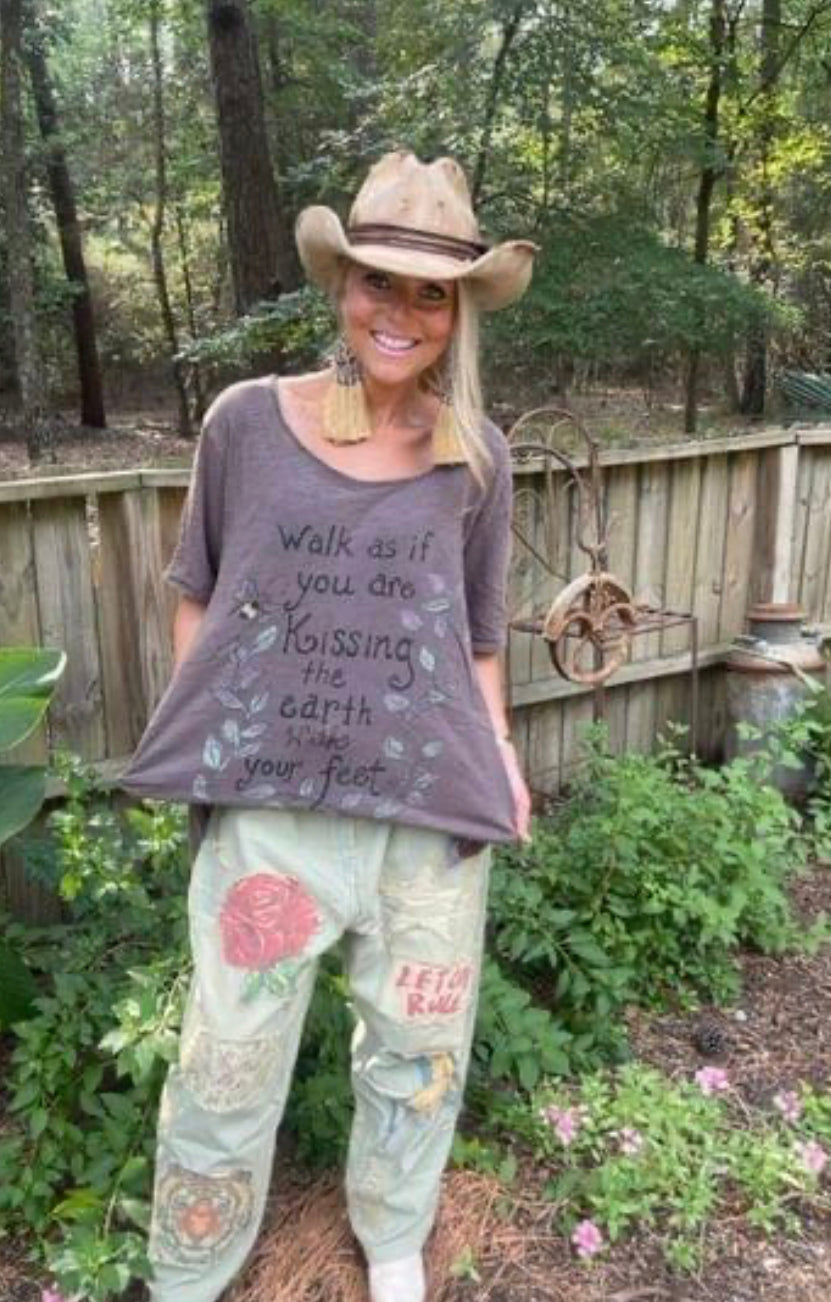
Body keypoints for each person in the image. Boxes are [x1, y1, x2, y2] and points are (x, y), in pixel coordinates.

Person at [120, 150, 536, 1302]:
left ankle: (393, 1237)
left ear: (457, 312)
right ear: (339, 286)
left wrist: (503, 757)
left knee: (416, 1055)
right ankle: (191, 1270)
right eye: (376, 281)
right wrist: (219, 745)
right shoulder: (245, 425)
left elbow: (479, 637)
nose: (399, 312)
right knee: (227, 1063)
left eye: (430, 292)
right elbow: (197, 594)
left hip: (427, 820)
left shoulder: (475, 458)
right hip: (272, 816)